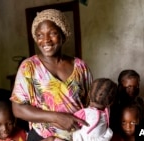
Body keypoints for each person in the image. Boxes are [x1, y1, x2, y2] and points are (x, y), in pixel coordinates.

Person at [10, 9, 93, 141]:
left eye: (53, 33)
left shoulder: (80, 67)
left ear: (63, 35)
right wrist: (57, 117)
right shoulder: (29, 67)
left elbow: (90, 104)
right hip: (43, 136)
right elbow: (18, 109)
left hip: (78, 135)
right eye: (40, 35)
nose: (46, 40)